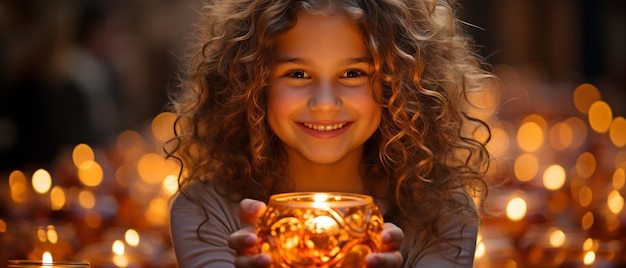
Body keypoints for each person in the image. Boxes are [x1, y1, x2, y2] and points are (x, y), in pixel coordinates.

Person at [167, 0, 495, 267]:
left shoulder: (443, 215)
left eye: (352, 73)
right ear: (250, 84)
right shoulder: (205, 212)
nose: (325, 103)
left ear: (401, 83)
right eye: (297, 74)